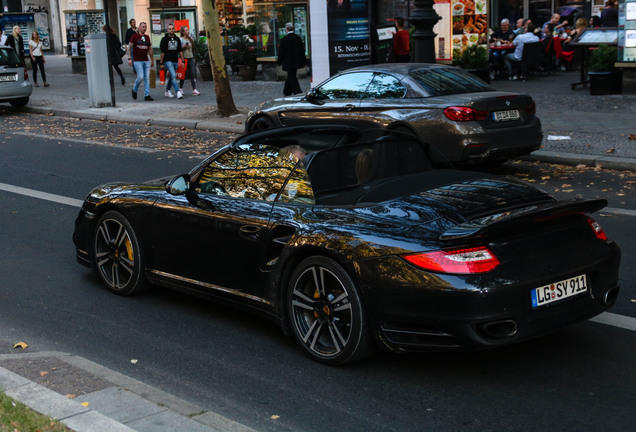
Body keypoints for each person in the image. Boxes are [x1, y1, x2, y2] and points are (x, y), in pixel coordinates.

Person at [277, 22, 306, 96]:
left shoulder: (284, 39)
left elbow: (281, 52)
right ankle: (287, 91)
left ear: (286, 29)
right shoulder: (298, 38)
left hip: (288, 62)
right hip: (296, 61)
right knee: (291, 75)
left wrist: (279, 62)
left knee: (291, 76)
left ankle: (297, 91)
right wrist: (304, 61)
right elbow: (301, 51)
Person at [127, 22, 154, 101]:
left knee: (147, 78)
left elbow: (150, 49)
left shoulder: (147, 37)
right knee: (140, 76)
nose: (144, 28)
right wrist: (129, 58)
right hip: (137, 60)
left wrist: (152, 60)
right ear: (139, 27)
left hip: (146, 60)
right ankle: (134, 89)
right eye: (143, 27)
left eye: (145, 27)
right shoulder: (135, 36)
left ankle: (147, 95)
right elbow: (129, 47)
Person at [159, 23, 184, 99]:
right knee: (173, 75)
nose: (171, 30)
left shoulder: (177, 39)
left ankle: (167, 91)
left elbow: (180, 51)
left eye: (172, 29)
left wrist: (182, 61)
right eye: (170, 29)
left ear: (174, 29)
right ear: (167, 30)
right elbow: (162, 52)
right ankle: (178, 92)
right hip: (167, 60)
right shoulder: (164, 39)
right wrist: (161, 63)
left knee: (171, 77)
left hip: (175, 60)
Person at [179, 26, 199, 95]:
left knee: (192, 73)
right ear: (183, 32)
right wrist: (183, 47)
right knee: (183, 74)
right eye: (186, 30)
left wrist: (194, 57)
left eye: (188, 30)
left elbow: (193, 49)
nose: (188, 31)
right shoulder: (181, 40)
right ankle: (181, 88)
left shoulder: (191, 39)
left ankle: (194, 89)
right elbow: (179, 50)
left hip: (191, 58)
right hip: (184, 58)